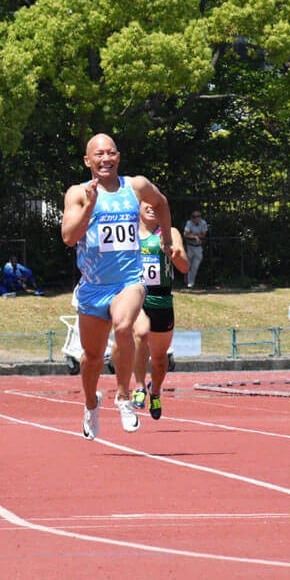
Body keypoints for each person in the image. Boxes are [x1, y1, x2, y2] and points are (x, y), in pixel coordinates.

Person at [61, 133, 171, 439]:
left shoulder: (135, 187)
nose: (105, 159)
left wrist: (168, 238)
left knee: (124, 326)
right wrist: (89, 207)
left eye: (110, 153)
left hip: (129, 281)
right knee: (92, 357)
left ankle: (124, 397)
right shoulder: (77, 194)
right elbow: (69, 238)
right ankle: (90, 403)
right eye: (99, 154)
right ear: (88, 161)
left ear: (118, 157)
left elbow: (161, 202)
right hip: (94, 287)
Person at [128, 200, 189, 420]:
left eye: (156, 204)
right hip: (137, 296)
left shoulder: (169, 231)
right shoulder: (130, 232)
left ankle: (155, 392)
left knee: (160, 359)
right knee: (141, 333)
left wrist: (173, 253)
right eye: (147, 204)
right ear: (139, 208)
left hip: (162, 300)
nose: (152, 208)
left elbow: (184, 267)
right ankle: (139, 386)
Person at [183, 210, 208, 289]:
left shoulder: (203, 223)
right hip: (189, 247)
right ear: (192, 218)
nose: (196, 218)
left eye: (198, 216)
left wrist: (192, 235)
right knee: (188, 265)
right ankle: (188, 282)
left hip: (198, 247)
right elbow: (185, 234)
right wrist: (195, 237)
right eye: (194, 217)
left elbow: (203, 235)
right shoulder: (189, 223)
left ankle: (190, 283)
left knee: (195, 266)